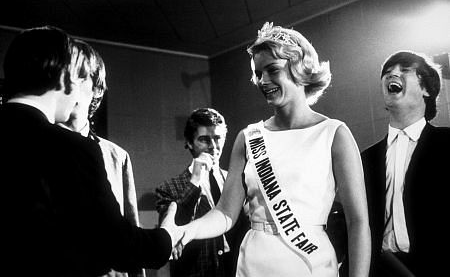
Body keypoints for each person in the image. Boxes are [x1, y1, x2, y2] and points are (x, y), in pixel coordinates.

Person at [173, 22, 371, 277]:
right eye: (258, 73)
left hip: (310, 263)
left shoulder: (334, 134)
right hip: (254, 263)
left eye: (272, 70)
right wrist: (188, 231)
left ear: (299, 68)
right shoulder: (249, 137)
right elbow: (225, 213)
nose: (263, 81)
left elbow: (358, 222)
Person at [0, 25, 182, 277]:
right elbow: (120, 244)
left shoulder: (113, 155)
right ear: (65, 79)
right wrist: (167, 236)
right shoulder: (72, 148)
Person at [58, 38, 145, 277]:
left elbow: (130, 230)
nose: (69, 86)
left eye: (79, 76)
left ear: (96, 88)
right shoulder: (39, 146)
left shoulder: (117, 156)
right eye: (64, 76)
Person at [361, 51, 450, 277]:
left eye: (404, 70)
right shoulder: (365, 159)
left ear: (426, 89)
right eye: (387, 72)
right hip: (380, 270)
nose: (393, 74)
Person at [156, 108, 249, 277]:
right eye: (205, 140)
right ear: (190, 143)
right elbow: (173, 232)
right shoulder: (168, 188)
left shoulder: (235, 180)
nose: (213, 147)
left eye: (218, 139)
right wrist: (195, 181)